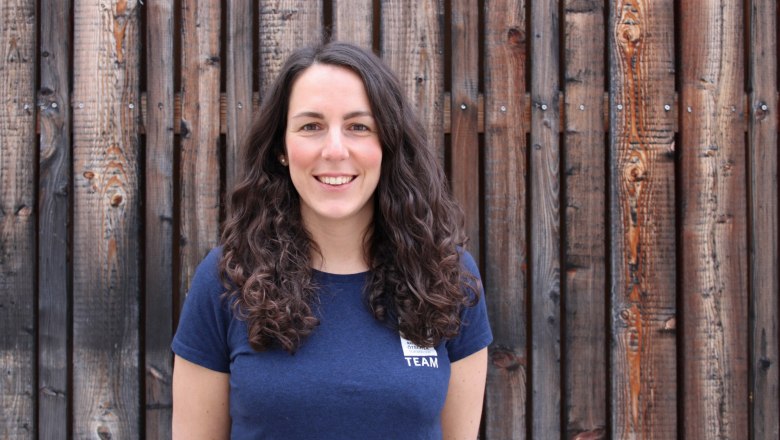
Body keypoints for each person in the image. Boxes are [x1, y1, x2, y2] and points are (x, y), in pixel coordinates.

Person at [171, 41, 492, 439]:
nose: (335, 150)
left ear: (388, 145)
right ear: (281, 150)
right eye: (311, 126)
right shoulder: (226, 280)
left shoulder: (447, 279)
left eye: (359, 126)